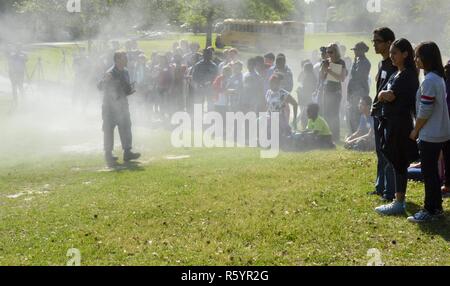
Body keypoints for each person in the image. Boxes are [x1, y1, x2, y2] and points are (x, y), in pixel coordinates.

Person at [375, 38, 420, 216]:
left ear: (405, 54)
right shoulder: (396, 73)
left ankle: (399, 201)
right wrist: (383, 94)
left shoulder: (407, 74)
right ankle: (397, 198)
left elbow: (390, 96)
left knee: (399, 162)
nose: (391, 56)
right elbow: (381, 94)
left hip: (400, 124)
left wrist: (385, 94)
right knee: (395, 160)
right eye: (391, 53)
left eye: (395, 53)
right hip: (391, 122)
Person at [407, 42, 450, 222]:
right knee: (432, 173)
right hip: (439, 132)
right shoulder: (438, 78)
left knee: (429, 173)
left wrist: (415, 130)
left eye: (417, 56)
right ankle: (436, 208)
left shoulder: (430, 81)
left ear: (426, 58)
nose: (415, 60)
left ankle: (430, 209)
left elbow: (425, 110)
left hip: (430, 134)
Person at [97, 51, 141, 167]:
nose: (127, 59)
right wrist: (105, 80)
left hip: (122, 105)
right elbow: (99, 87)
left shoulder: (126, 71)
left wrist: (130, 90)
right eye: (124, 58)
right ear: (117, 60)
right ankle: (108, 154)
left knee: (126, 127)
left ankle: (127, 152)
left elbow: (125, 89)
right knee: (108, 129)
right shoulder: (110, 72)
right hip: (109, 107)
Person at [370, 27, 397, 201]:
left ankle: (390, 191)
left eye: (378, 41)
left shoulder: (395, 65)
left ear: (389, 43)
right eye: (373, 41)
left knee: (388, 153)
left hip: (388, 114)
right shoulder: (381, 63)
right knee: (379, 152)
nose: (374, 44)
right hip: (377, 111)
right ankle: (380, 187)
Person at [320, 43, 348, 142]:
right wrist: (323, 69)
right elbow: (322, 78)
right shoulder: (326, 62)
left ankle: (335, 136)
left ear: (336, 52)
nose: (329, 54)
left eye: (331, 52)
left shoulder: (341, 62)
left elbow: (342, 78)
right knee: (326, 113)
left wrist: (329, 71)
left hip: (336, 92)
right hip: (326, 91)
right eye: (327, 52)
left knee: (334, 114)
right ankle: (327, 135)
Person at [347, 42, 371, 134]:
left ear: (362, 51)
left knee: (358, 113)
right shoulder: (357, 61)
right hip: (354, 91)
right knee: (352, 114)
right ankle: (353, 133)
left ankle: (359, 133)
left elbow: (357, 77)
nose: (355, 52)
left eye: (356, 50)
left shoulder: (365, 63)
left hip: (360, 91)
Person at [266, 73, 298, 142]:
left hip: (280, 118)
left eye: (273, 83)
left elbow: (295, 104)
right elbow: (268, 106)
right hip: (270, 117)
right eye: (270, 83)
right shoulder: (268, 92)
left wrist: (295, 119)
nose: (270, 85)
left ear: (277, 84)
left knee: (283, 138)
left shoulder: (283, 93)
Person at [191, 47, 218, 112]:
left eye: (210, 54)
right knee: (199, 104)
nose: (209, 56)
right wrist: (200, 84)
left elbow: (216, 77)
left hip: (210, 88)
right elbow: (194, 77)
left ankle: (210, 118)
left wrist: (210, 83)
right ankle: (198, 119)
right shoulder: (198, 65)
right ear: (203, 55)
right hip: (200, 87)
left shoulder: (214, 66)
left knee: (210, 104)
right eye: (206, 54)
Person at [297, 61, 317, 129]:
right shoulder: (313, 76)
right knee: (304, 112)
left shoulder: (309, 77)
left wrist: (300, 89)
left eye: (304, 69)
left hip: (306, 98)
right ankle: (300, 124)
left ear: (306, 69)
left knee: (303, 113)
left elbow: (307, 88)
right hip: (309, 97)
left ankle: (299, 124)